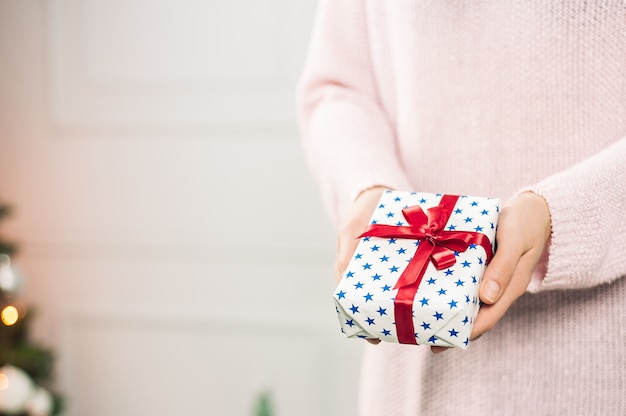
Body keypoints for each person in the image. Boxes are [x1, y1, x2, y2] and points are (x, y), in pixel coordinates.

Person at [296, 1, 626, 415]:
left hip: (596, 359)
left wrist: (569, 213)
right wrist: (366, 184)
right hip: (408, 355)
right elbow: (338, 88)